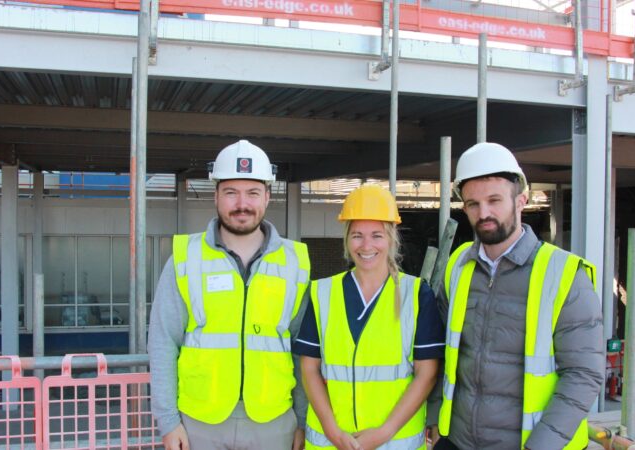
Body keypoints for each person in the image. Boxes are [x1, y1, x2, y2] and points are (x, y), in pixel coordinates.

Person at [433, 142, 605, 450]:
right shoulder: (458, 265)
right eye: (473, 204)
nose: (483, 213)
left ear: (521, 200)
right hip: (457, 441)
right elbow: (443, 354)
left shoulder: (565, 275)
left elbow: (583, 375)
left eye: (494, 200)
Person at [148, 140, 311, 450]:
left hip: (274, 420)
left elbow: (302, 350)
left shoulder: (295, 261)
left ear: (267, 195)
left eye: (252, 193)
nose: (242, 204)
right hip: (199, 421)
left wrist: (301, 420)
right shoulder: (185, 257)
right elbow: (162, 342)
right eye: (231, 192)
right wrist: (168, 421)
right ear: (216, 196)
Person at [294, 184, 444, 450]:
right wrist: (332, 430)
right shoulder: (322, 293)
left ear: (391, 238)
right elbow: (309, 368)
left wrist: (384, 432)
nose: (366, 246)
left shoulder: (417, 294)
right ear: (346, 239)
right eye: (357, 236)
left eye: (376, 235)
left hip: (394, 442)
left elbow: (427, 373)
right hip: (330, 442)